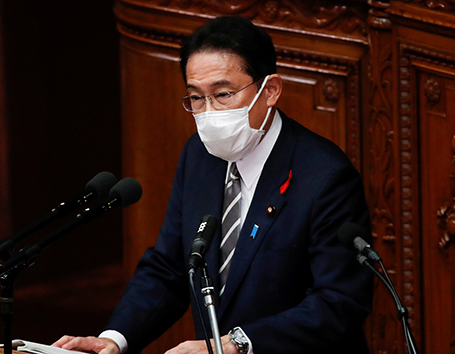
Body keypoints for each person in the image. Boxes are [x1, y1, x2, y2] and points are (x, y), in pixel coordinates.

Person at [52, 16, 373, 354]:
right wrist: (115, 338)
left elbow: (339, 301)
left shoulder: (324, 176)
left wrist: (235, 344)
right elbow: (171, 267)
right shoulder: (200, 156)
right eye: (196, 98)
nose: (209, 113)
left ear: (270, 91)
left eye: (222, 94)